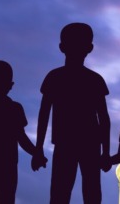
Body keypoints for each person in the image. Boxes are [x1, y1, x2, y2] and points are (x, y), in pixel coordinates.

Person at [32, 23, 111, 204]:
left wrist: (38, 149)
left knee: (60, 193)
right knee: (91, 194)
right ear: (90, 48)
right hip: (89, 142)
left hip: (65, 141)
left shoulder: (54, 77)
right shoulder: (95, 80)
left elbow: (43, 115)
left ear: (61, 47)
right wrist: (105, 152)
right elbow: (104, 119)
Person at [0, 60, 46, 204]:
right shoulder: (13, 109)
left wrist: (36, 153)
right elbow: (21, 137)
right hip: (3, 168)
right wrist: (36, 153)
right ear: (10, 85)